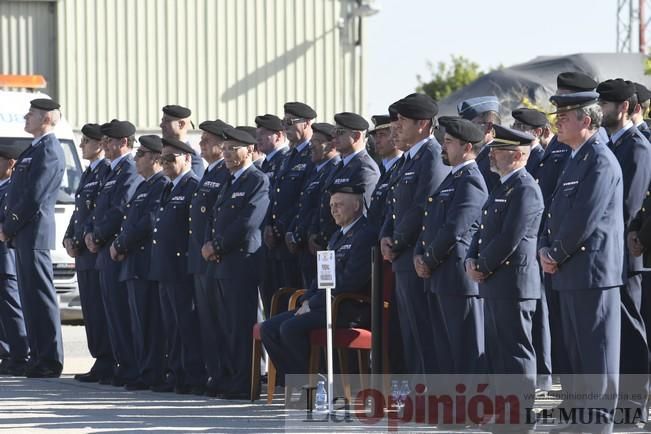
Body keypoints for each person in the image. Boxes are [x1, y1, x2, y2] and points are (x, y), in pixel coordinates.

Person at [539, 91, 623, 433]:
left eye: (564, 117)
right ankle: (581, 419)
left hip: (593, 272)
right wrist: (545, 246)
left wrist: (554, 254)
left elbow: (583, 218)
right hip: (569, 271)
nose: (557, 121)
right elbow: (556, 212)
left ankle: (598, 423)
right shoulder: (576, 157)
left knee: (597, 353)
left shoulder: (600, 159)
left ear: (586, 121)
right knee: (576, 351)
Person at [261, 184, 376, 379]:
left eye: (339, 205)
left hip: (348, 308)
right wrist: (306, 300)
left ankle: (314, 383)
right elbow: (321, 277)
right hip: (324, 305)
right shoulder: (336, 236)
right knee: (268, 328)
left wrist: (313, 303)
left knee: (289, 328)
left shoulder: (365, 235)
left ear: (356, 205)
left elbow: (350, 281)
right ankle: (299, 383)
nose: (333, 210)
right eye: (331, 205)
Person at [380, 93, 448, 375]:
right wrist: (385, 235)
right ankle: (417, 392)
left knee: (423, 329)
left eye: (403, 121)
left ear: (422, 124)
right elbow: (393, 204)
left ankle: (429, 393)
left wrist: (396, 240)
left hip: (415, 253)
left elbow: (423, 205)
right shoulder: (408, 158)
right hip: (400, 254)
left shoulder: (431, 155)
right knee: (409, 328)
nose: (396, 126)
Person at [414, 117, 487, 376]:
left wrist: (428, 259)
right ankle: (453, 405)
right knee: (445, 350)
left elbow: (455, 228)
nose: (442, 147)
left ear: (467, 147)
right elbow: (429, 223)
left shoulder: (471, 180)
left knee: (464, 350)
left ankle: (471, 407)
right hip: (439, 276)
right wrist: (418, 255)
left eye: (448, 143)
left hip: (457, 279)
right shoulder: (452, 178)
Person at [597, 78, 651, 424]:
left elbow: (629, 206)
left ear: (627, 108)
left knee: (631, 332)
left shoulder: (637, 146)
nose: (602, 110)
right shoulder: (613, 144)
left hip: (625, 255)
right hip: (609, 256)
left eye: (608, 104)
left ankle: (634, 406)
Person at [201, 127, 269, 399]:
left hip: (241, 262)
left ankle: (244, 383)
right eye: (225, 148)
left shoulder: (257, 180)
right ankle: (229, 376)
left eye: (233, 149)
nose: (227, 154)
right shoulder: (229, 181)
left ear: (250, 150)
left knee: (241, 325)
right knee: (225, 324)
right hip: (220, 263)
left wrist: (217, 246)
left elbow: (248, 222)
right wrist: (209, 245)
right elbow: (214, 218)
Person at [0, 98, 65, 378]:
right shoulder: (34, 149)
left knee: (41, 296)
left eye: (32, 114)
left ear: (47, 119)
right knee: (29, 297)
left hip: (34, 232)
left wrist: (9, 226)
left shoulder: (49, 150)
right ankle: (37, 356)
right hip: (24, 234)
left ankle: (50, 359)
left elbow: (35, 196)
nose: (26, 117)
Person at [110, 135, 169, 391]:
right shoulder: (144, 186)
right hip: (133, 263)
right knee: (138, 321)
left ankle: (152, 371)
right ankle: (143, 369)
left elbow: (149, 222)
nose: (135, 158)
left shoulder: (161, 185)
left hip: (145, 262)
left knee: (149, 321)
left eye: (140, 154)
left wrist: (122, 244)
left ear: (156, 158)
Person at [84, 119, 140, 386]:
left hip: (116, 250)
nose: (104, 146)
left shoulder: (128, 169)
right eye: (103, 141)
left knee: (120, 311)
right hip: (103, 250)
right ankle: (117, 363)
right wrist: (89, 234)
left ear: (124, 143)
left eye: (109, 141)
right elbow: (97, 208)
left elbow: (119, 210)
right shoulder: (111, 170)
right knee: (109, 311)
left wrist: (98, 235)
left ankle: (128, 365)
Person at [150, 137, 204, 395]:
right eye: (162, 159)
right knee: (171, 324)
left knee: (186, 323)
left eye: (171, 159)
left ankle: (191, 374)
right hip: (165, 266)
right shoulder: (169, 186)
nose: (165, 164)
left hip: (181, 266)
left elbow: (191, 231)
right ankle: (176, 371)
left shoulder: (192, 185)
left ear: (187, 159)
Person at [64, 123, 112, 383]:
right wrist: (68, 237)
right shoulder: (89, 171)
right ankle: (99, 358)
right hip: (82, 250)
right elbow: (78, 210)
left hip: (94, 249)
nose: (81, 145)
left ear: (99, 144)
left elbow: (99, 212)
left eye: (86, 141)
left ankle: (107, 359)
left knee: (100, 308)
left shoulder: (105, 170)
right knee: (91, 309)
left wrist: (86, 237)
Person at [189, 119, 233, 397]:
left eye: (206, 140)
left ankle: (225, 374)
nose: (201, 145)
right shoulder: (209, 173)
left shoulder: (224, 174)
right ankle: (214, 374)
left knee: (222, 322)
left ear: (221, 144)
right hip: (201, 257)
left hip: (216, 257)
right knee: (208, 322)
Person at [309, 112, 380, 255]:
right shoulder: (339, 166)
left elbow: (362, 214)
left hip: (349, 246)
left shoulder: (365, 168)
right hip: (330, 242)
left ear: (357, 136)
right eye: (334, 132)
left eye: (340, 132)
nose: (334, 136)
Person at [264, 102, 315, 291]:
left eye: (290, 122)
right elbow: (275, 194)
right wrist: (269, 224)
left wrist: (286, 228)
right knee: (277, 299)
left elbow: (304, 199)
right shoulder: (287, 157)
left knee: (294, 297)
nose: (286, 127)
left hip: (293, 238)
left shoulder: (312, 155)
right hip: (277, 240)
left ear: (307, 123)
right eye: (284, 122)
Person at [286, 122, 340, 288]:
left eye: (315, 143)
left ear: (330, 145)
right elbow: (302, 207)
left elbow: (320, 208)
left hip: (320, 246)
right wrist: (293, 232)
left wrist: (311, 235)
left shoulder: (334, 169)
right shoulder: (316, 171)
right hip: (305, 248)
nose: (310, 147)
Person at [0, 141, 31, 376]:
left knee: (12, 307)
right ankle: (7, 353)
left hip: (6, 257)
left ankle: (20, 354)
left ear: (11, 163)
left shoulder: (13, 188)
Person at [367, 114, 404, 231]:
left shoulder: (402, 167)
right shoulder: (383, 168)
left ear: (395, 135)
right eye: (375, 136)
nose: (376, 141)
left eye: (382, 135)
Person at [457, 96, 501, 192]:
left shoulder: (497, 155)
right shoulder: (475, 151)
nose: (465, 130)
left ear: (489, 126)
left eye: (471, 125)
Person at [160, 104, 205, 177]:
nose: (161, 125)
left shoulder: (193, 158)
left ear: (181, 124)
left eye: (167, 121)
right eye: (162, 121)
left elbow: (195, 186)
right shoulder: (161, 151)